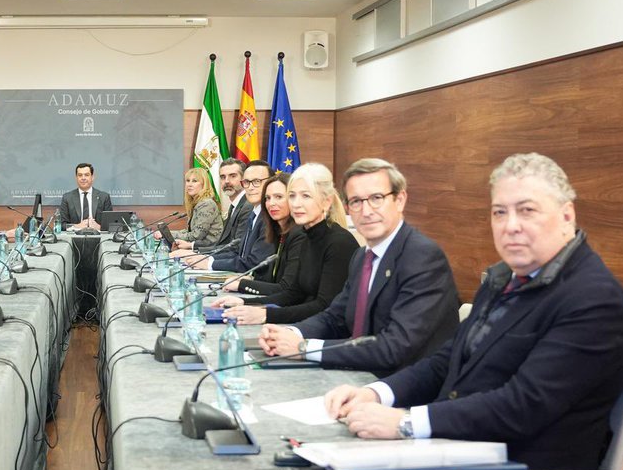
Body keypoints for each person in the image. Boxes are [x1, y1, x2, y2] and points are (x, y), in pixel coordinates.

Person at [326, 153, 623, 470]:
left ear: (566, 215)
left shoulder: (592, 300)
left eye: (527, 211)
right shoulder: (505, 277)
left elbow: (521, 406)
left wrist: (405, 423)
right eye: (499, 213)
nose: (511, 227)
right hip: (462, 450)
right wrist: (377, 392)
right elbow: (446, 360)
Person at [257, 159, 459, 376]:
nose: (366, 211)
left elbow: (394, 347)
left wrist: (304, 348)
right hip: (358, 375)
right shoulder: (362, 256)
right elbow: (335, 317)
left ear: (399, 200)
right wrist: (288, 333)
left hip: (408, 389)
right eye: (355, 201)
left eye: (376, 199)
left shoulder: (422, 256)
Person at [211, 162, 357, 325]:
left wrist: (266, 315)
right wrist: (246, 304)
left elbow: (325, 306)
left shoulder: (339, 242)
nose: (296, 203)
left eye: (306, 196)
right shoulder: (308, 236)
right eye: (292, 196)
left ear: (326, 202)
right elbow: (293, 293)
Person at [178, 159, 275, 272]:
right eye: (223, 177)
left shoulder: (251, 208)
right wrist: (201, 257)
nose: (227, 181)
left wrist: (206, 260)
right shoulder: (242, 207)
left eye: (233, 176)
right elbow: (232, 247)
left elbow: (239, 252)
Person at [167, 167, 223, 245]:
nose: (189, 184)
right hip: (199, 247)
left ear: (204, 184)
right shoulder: (197, 203)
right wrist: (168, 233)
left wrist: (169, 235)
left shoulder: (206, 204)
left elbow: (196, 236)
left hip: (209, 250)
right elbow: (190, 231)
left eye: (194, 181)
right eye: (188, 181)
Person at [57, 162, 113, 229]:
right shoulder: (67, 198)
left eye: (86, 175)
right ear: (76, 178)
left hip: (98, 237)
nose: (83, 178)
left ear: (92, 177)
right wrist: (76, 226)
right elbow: (61, 224)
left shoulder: (104, 197)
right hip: (75, 237)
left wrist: (99, 227)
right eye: (80, 175)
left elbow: (110, 224)